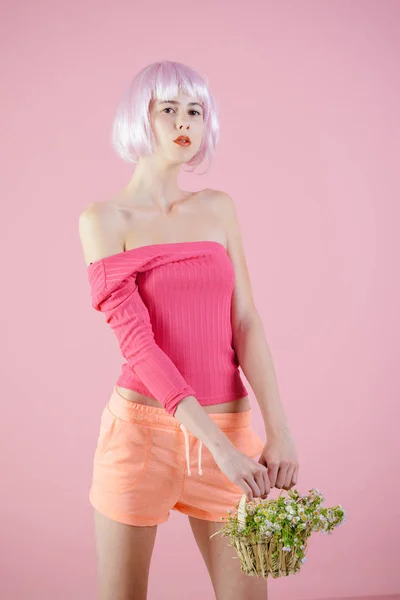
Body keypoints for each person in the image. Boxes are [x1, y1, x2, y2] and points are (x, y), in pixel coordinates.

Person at [79, 60, 299, 600]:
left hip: (232, 427)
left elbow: (245, 320)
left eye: (196, 110)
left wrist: (279, 429)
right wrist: (218, 447)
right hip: (141, 436)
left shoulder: (218, 209)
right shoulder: (104, 220)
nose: (186, 121)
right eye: (169, 109)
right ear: (141, 119)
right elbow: (139, 345)